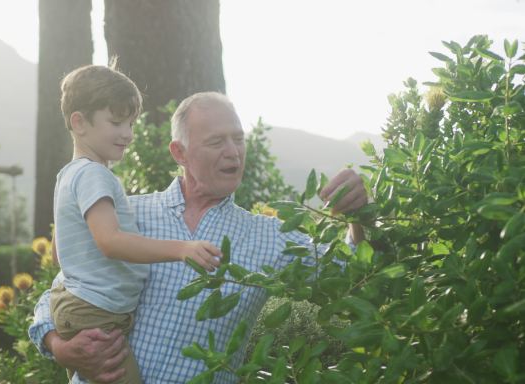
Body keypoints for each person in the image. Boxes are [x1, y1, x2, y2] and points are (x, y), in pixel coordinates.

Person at [29, 91, 368, 383]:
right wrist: (60, 346)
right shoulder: (124, 216)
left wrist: (359, 217)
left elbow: (353, 271)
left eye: (238, 139)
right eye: (216, 142)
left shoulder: (268, 236)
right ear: (180, 153)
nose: (233, 153)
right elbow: (62, 289)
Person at [50, 66, 222, 384]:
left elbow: (58, 254)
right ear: (79, 122)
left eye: (130, 123)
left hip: (84, 309)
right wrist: (182, 248)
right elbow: (110, 242)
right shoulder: (93, 174)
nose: (127, 134)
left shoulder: (68, 175)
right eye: (116, 122)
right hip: (97, 313)